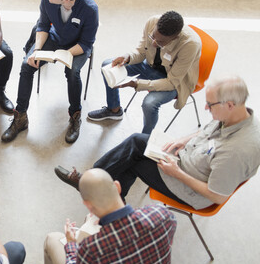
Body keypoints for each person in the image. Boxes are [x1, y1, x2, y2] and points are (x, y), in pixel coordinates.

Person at [56, 76, 260, 210]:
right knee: (136, 141)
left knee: (131, 162)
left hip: (187, 184)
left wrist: (176, 173)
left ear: (230, 105)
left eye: (210, 104)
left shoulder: (236, 153)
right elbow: (209, 130)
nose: (206, 108)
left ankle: (94, 187)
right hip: (185, 158)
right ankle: (102, 190)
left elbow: (216, 196)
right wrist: (184, 139)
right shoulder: (235, 115)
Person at [26, 168, 177, 264]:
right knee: (88, 223)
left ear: (87, 204)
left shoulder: (92, 248)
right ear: (118, 187)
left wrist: (71, 245)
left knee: (53, 239)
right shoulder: (162, 214)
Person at [2, 0, 98, 144]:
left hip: (78, 47)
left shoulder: (89, 9)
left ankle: (75, 116)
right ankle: (21, 116)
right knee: (27, 65)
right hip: (55, 39)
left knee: (73, 71)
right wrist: (37, 50)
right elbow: (43, 25)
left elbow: (86, 43)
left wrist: (66, 54)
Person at [88, 11, 202, 134]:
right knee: (108, 65)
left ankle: (144, 139)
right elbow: (142, 52)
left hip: (174, 81)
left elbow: (172, 82)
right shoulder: (152, 22)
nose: (154, 43)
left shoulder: (190, 45)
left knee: (149, 104)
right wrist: (128, 57)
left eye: (161, 42)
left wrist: (137, 84)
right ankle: (114, 109)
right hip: (149, 66)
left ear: (175, 38)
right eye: (153, 37)